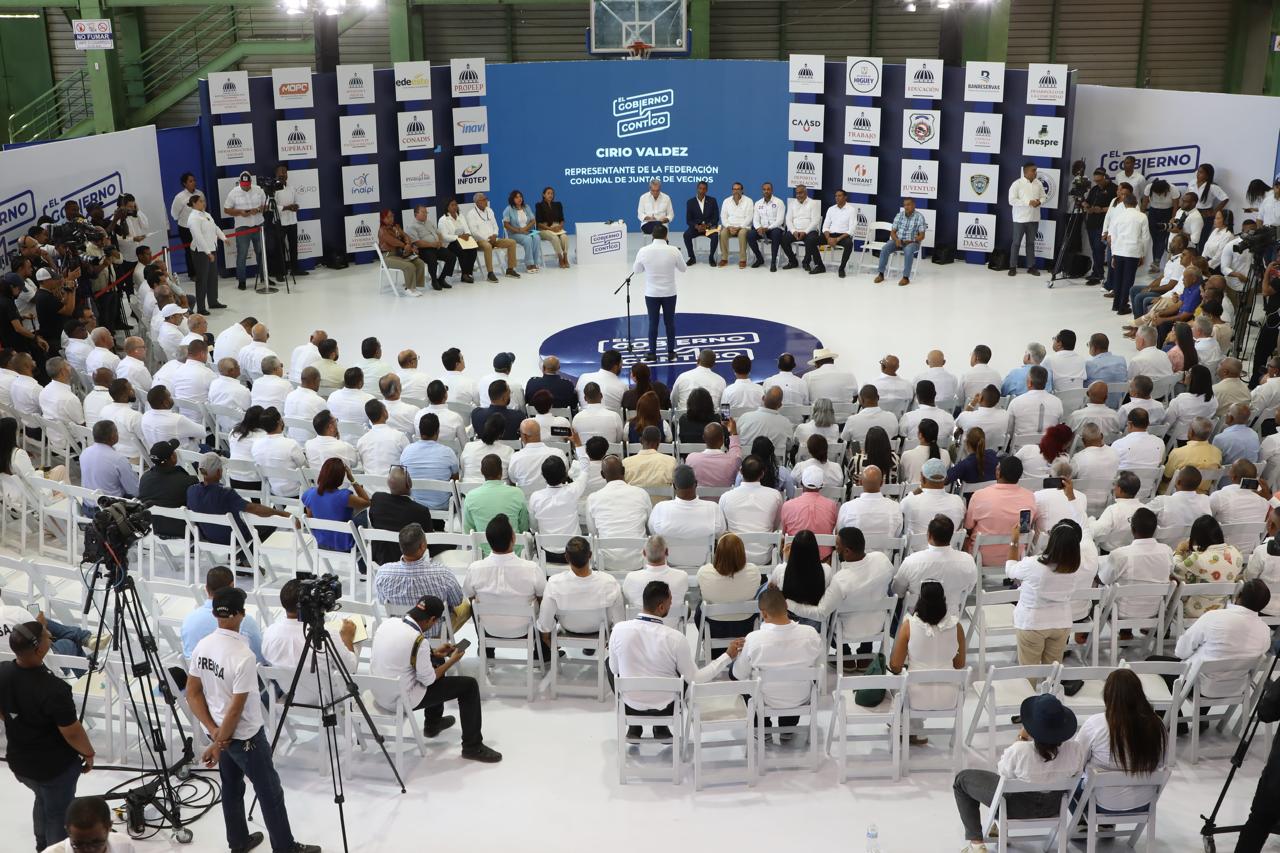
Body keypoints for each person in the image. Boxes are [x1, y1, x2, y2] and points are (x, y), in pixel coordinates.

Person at [186, 586, 321, 853]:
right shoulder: (243, 656)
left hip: (222, 733)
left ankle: (237, 841)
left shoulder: (203, 645)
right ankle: (285, 848)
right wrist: (218, 741)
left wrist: (214, 732)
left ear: (215, 614)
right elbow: (236, 710)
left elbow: (192, 693)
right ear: (240, 615)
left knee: (232, 790)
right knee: (271, 794)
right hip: (245, 737)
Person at [0, 617, 97, 852]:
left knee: (42, 799)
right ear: (39, 648)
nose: (50, 638)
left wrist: (17, 723)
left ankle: (41, 845)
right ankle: (53, 848)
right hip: (54, 767)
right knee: (57, 813)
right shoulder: (54, 689)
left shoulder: (2, 672)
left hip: (20, 761)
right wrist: (89, 753)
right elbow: (72, 731)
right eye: (46, 636)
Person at [371, 592, 504, 759]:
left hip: (380, 691)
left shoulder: (389, 623)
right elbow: (429, 679)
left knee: (435, 661)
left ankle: (433, 723)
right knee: (469, 686)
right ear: (432, 620)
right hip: (399, 700)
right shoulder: (419, 641)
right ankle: (473, 746)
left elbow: (402, 652)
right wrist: (452, 660)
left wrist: (434, 652)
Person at [608, 580, 744, 739]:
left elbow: (615, 670)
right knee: (682, 671)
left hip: (630, 705)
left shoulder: (618, 630)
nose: (671, 605)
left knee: (611, 664)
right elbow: (696, 679)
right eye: (670, 603)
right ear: (661, 607)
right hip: (666, 706)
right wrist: (727, 656)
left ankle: (634, 725)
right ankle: (661, 726)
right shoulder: (675, 638)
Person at [952, 694, 1084, 852]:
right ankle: (996, 827)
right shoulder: (1075, 750)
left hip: (1014, 808)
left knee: (961, 780)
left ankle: (977, 843)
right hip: (1054, 807)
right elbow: (1077, 773)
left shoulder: (1019, 750)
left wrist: (1021, 737)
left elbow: (1003, 774)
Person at [731, 587, 824, 731]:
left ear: (763, 613)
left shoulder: (754, 639)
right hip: (801, 697)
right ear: (786, 606)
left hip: (765, 699)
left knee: (736, 672)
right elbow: (820, 669)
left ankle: (761, 728)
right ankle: (788, 727)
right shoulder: (811, 634)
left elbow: (739, 675)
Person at [890, 581, 966, 744]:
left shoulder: (909, 626)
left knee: (899, 678)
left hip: (915, 697)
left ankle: (904, 727)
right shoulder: (957, 627)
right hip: (950, 697)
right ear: (944, 601)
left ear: (920, 602)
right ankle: (912, 730)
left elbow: (895, 665)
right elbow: (959, 665)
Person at [260, 579, 358, 707]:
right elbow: (350, 668)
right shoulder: (327, 635)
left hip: (292, 695)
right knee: (355, 640)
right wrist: (347, 638)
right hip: (329, 699)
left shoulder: (269, 632)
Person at [186, 453, 293, 559]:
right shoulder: (225, 493)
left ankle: (241, 557)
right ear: (219, 472)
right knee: (270, 524)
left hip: (208, 536)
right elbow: (254, 509)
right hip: (234, 537)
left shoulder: (191, 491)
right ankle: (244, 557)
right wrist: (280, 513)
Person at [1006, 520, 1081, 668]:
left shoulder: (1033, 565)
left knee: (1029, 672)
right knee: (1053, 671)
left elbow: (1010, 570)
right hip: (1061, 622)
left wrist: (1014, 542)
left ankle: (1030, 692)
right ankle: (1051, 691)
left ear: (1052, 541)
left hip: (1033, 623)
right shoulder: (1074, 566)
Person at [463, 513, 545, 644]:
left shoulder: (474, 569)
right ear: (513, 538)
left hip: (489, 628)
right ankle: (543, 652)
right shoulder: (532, 568)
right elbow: (543, 600)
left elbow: (471, 597)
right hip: (525, 628)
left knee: (474, 604)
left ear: (488, 541)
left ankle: (485, 647)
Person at [372, 523, 469, 632]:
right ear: (423, 546)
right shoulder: (443, 573)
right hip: (435, 630)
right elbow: (457, 601)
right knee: (466, 606)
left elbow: (382, 601)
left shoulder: (383, 573)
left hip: (401, 630)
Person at [536, 536, 624, 644]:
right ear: (590, 555)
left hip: (569, 627)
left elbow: (545, 620)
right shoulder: (609, 581)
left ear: (566, 557)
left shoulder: (554, 583)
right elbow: (620, 621)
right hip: (599, 629)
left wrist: (546, 638)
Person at [647, 465, 725, 567]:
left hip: (670, 562)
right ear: (696, 484)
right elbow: (721, 535)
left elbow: (653, 533)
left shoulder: (660, 508)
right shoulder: (713, 508)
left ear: (674, 486)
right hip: (703, 563)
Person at [964, 456, 1036, 564]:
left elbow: (968, 526)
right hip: (1015, 554)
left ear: (998, 472)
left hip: (981, 556)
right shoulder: (1030, 497)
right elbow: (1027, 526)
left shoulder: (979, 495)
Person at [587, 456, 652, 571]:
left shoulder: (593, 498)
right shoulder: (641, 494)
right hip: (638, 560)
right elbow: (650, 527)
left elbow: (593, 532)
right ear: (623, 471)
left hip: (606, 562)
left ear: (602, 475)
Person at [632, 223, 686, 361]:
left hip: (652, 293)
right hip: (669, 292)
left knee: (652, 322)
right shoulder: (673, 250)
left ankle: (652, 353)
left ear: (652, 235)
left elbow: (637, 270)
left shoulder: (643, 251)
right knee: (670, 322)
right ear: (666, 236)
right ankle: (671, 352)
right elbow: (683, 268)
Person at [1171, 515, 1242, 618]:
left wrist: (1178, 552)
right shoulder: (1236, 554)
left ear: (1196, 537)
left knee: (1171, 582)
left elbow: (1176, 570)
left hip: (1193, 611)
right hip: (1220, 609)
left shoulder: (1197, 559)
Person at [719, 454, 785, 563]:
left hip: (735, 555)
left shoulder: (726, 497)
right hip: (764, 557)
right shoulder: (775, 495)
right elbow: (776, 526)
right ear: (762, 474)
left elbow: (724, 529)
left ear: (740, 471)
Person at [694, 533, 761, 635]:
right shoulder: (754, 571)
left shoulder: (704, 572)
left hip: (714, 627)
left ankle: (710, 645)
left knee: (701, 606)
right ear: (742, 553)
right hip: (745, 626)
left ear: (718, 553)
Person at [301, 458, 370, 556]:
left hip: (321, 543)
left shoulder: (309, 494)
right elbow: (367, 502)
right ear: (340, 478)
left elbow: (311, 517)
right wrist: (352, 479)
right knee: (362, 511)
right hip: (345, 545)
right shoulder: (344, 496)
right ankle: (363, 553)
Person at [461, 454, 529, 545]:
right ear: (501, 471)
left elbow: (468, 530)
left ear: (482, 472)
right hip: (514, 549)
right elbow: (524, 527)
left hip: (484, 552)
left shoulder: (470, 496)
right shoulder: (517, 493)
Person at [399, 413, 459, 511]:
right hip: (442, 506)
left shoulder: (407, 451)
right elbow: (455, 480)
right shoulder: (448, 452)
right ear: (437, 431)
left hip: (414, 504)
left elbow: (403, 476)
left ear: (419, 431)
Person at [137, 439, 196, 538]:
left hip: (153, 529)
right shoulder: (188, 481)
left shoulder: (144, 478)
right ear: (173, 457)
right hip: (183, 531)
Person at [42, 795, 137, 853]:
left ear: (109, 827)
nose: (88, 851)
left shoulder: (125, 846)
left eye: (96, 843)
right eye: (79, 844)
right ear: (68, 831)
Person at [221, 171, 266, 291]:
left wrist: (258, 209)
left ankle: (264, 277)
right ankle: (242, 281)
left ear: (251, 182)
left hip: (258, 225)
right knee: (242, 254)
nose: (245, 186)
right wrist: (240, 212)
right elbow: (226, 210)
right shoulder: (233, 192)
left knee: (261, 252)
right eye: (243, 184)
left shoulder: (258, 190)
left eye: (247, 184)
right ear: (240, 182)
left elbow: (265, 206)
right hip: (242, 227)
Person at [1108, 195, 1152, 313]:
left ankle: (1116, 304)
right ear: (1136, 203)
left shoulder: (1118, 217)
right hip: (1133, 251)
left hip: (1118, 251)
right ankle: (1123, 306)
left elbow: (1113, 237)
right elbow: (1146, 238)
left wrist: (1113, 254)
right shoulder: (1142, 217)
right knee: (1128, 279)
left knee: (1118, 278)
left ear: (1124, 204)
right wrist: (1143, 254)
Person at [903, 457, 966, 533]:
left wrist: (918, 489)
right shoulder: (958, 502)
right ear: (945, 478)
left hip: (916, 545)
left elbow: (901, 513)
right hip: (949, 544)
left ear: (922, 478)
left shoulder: (910, 502)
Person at [78, 421, 139, 501]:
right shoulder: (118, 459)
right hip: (111, 508)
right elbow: (134, 491)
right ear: (113, 436)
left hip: (88, 505)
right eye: (116, 431)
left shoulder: (84, 453)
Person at [1008, 162, 1049, 277]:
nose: (1035, 172)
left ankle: (1031, 267)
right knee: (1016, 243)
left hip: (1034, 218)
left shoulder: (1038, 184)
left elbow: (1044, 196)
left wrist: (1040, 202)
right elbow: (1011, 200)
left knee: (1030, 243)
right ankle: (1012, 267)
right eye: (1033, 170)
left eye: (1035, 170)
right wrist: (1028, 203)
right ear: (1025, 172)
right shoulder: (1017, 184)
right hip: (1019, 219)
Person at [465, 193, 519, 281]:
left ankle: (510, 269)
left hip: (494, 239)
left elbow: (495, 226)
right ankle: (490, 273)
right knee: (487, 246)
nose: (486, 201)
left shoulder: (489, 210)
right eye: (483, 200)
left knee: (512, 242)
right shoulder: (471, 214)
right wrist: (487, 239)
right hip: (480, 241)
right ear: (477, 202)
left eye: (486, 199)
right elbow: (474, 232)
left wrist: (494, 235)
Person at [876, 197, 927, 286]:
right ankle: (881, 274)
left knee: (908, 250)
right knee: (885, 248)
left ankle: (906, 277)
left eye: (908, 205)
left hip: (912, 242)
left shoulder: (919, 217)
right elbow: (893, 232)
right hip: (898, 241)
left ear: (914, 205)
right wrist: (896, 240)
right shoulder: (899, 215)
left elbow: (922, 236)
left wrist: (912, 240)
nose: (906, 207)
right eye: (905, 205)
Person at [404, 204, 453, 290]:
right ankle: (434, 281)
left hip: (435, 247)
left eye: (426, 212)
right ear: (416, 214)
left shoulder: (429, 222)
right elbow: (418, 243)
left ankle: (441, 279)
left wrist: (440, 242)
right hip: (423, 250)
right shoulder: (412, 227)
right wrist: (432, 244)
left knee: (452, 257)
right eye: (423, 212)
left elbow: (438, 233)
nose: (425, 214)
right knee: (432, 259)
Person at [1083, 169, 1118, 285]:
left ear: (1105, 178)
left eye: (1099, 181)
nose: (1097, 183)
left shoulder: (1114, 189)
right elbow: (1087, 201)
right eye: (1095, 181)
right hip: (1091, 222)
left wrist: (1101, 209)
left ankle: (1099, 274)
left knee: (1099, 249)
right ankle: (1096, 271)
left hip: (1104, 224)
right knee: (1094, 249)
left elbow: (1117, 207)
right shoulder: (1095, 189)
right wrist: (1086, 205)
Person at [170, 171, 204, 282]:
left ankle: (202, 271)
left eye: (194, 180)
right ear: (185, 183)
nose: (193, 182)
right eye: (190, 181)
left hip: (200, 226)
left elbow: (203, 208)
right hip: (185, 228)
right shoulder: (180, 197)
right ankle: (192, 273)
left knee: (201, 249)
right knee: (190, 251)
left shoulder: (200, 194)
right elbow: (174, 213)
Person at [815, 188, 856, 277]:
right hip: (830, 235)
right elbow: (825, 227)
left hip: (843, 236)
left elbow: (851, 230)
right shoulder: (831, 209)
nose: (837, 198)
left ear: (845, 197)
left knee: (849, 244)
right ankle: (820, 266)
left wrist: (837, 239)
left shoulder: (851, 210)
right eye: (836, 196)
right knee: (811, 241)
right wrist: (828, 238)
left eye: (839, 196)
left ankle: (841, 268)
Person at [781, 183, 822, 270]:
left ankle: (806, 262)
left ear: (806, 193)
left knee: (811, 241)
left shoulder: (813, 203)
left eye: (801, 193)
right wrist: (793, 231)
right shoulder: (792, 204)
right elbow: (788, 219)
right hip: (795, 230)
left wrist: (805, 232)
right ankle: (793, 261)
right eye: (797, 193)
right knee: (783, 240)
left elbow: (815, 221)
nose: (798, 195)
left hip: (810, 231)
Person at [437, 198, 478, 284]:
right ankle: (465, 275)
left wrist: (467, 234)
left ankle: (468, 273)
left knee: (473, 249)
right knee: (462, 250)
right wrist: (458, 237)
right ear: (447, 207)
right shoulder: (443, 220)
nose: (455, 207)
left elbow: (467, 229)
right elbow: (444, 237)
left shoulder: (461, 216)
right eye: (452, 205)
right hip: (450, 243)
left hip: (463, 239)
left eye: (456, 205)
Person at [501, 190, 540, 274]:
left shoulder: (526, 207)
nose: (519, 199)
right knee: (528, 239)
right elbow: (506, 224)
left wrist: (525, 229)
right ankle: (529, 263)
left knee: (537, 237)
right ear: (512, 199)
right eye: (516, 197)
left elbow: (533, 220)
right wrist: (519, 230)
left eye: (520, 197)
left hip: (527, 231)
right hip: (514, 233)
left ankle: (535, 262)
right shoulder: (509, 209)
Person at [717, 182, 754, 268]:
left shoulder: (749, 201)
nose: (736, 191)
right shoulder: (726, 201)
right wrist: (728, 227)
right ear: (732, 190)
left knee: (742, 234)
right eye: (734, 189)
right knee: (722, 233)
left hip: (743, 227)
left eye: (738, 189)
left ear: (742, 190)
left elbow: (749, 217)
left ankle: (742, 260)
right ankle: (724, 259)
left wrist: (739, 227)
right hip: (729, 226)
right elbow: (723, 216)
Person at [682, 180, 719, 265]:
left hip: (709, 227)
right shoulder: (690, 202)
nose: (702, 191)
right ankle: (692, 257)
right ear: (697, 189)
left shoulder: (712, 200)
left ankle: (711, 257)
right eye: (700, 188)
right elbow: (688, 220)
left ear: (707, 190)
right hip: (696, 228)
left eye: (704, 189)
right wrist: (696, 226)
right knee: (686, 235)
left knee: (715, 236)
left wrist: (707, 225)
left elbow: (716, 217)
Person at [535, 186, 570, 268]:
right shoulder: (539, 205)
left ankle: (565, 256)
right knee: (555, 238)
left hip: (557, 227)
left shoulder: (558, 204)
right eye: (548, 193)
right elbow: (538, 223)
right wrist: (550, 229)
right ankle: (560, 257)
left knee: (564, 237)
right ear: (544, 195)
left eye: (552, 193)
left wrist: (560, 226)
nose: (550, 195)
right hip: (544, 228)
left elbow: (562, 219)